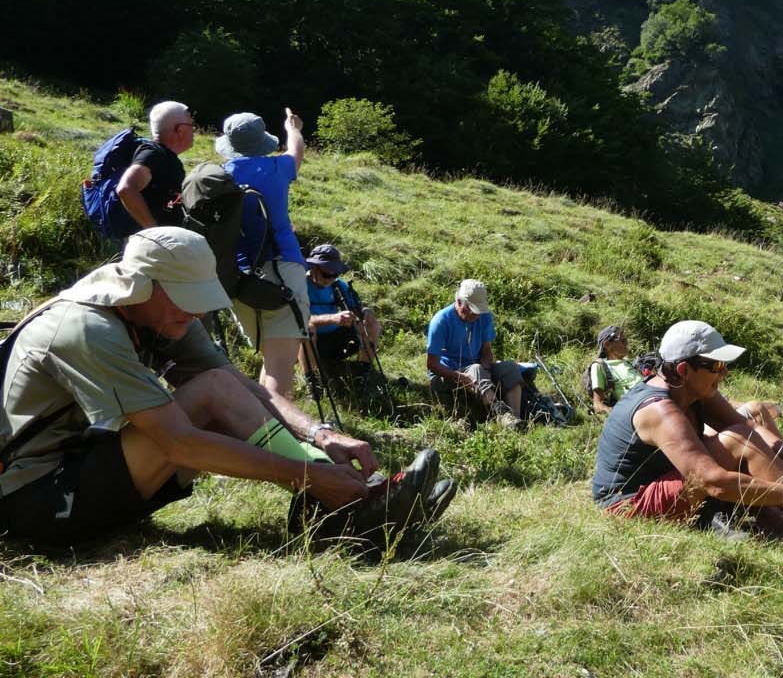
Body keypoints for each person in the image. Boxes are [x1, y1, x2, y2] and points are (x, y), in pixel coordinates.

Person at [0, 228, 448, 546]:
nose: (195, 314)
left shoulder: (162, 314)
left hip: (83, 465)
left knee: (217, 384)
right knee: (205, 396)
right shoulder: (86, 329)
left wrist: (320, 435)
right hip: (35, 499)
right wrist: (305, 475)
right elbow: (177, 442)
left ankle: (352, 501)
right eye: (185, 300)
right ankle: (347, 505)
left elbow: (243, 389)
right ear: (141, 286)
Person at [591, 320, 783, 540]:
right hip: (628, 505)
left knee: (744, 432)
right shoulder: (659, 411)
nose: (724, 372)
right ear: (683, 370)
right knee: (735, 443)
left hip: (668, 482)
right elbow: (711, 481)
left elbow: (748, 427)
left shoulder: (694, 389)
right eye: (716, 365)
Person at [220, 110, 311, 405]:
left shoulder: (219, 177)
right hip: (282, 269)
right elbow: (296, 149)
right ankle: (274, 436)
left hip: (238, 280)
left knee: (271, 360)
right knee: (281, 364)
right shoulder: (276, 168)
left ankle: (260, 424)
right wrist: (291, 127)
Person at [427, 279, 524, 428]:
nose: (476, 315)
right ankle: (501, 414)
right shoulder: (441, 322)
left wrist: (486, 365)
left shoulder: (484, 317)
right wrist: (460, 376)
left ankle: (515, 419)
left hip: (478, 369)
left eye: (478, 311)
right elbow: (432, 364)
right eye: (471, 310)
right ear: (459, 302)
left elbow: (486, 350)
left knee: (510, 368)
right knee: (475, 370)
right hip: (451, 373)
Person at [115, 101, 194, 232]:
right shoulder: (152, 153)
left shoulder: (166, 156)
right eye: (191, 125)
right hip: (150, 245)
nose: (194, 130)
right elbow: (126, 188)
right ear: (179, 130)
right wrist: (153, 231)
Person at [304, 244, 382, 371]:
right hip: (307, 342)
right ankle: (313, 379)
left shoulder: (339, 286)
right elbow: (298, 321)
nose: (330, 279)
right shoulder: (299, 285)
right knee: (307, 329)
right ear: (313, 267)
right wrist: (332, 319)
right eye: (326, 274)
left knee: (371, 322)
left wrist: (364, 312)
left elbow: (355, 308)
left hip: (337, 339)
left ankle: (362, 371)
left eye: (335, 275)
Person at [588, 325, 646, 414]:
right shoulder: (600, 365)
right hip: (638, 406)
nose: (626, 343)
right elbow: (598, 404)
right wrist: (613, 413)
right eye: (623, 341)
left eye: (626, 340)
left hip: (651, 396)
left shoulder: (627, 362)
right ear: (607, 345)